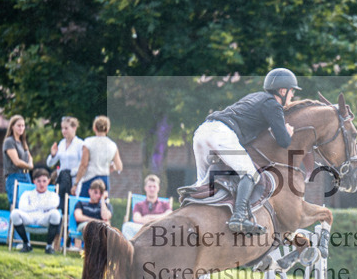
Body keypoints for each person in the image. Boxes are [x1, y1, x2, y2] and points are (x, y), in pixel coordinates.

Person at [191, 67, 299, 233]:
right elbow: (283, 141)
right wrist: (289, 133)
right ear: (282, 90)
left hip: (202, 132)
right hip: (222, 134)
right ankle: (239, 216)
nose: (292, 96)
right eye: (292, 91)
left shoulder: (255, 96)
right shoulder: (273, 105)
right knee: (250, 174)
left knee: (203, 184)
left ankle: (193, 220)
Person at [10, 168, 62, 254]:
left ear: (48, 181)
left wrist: (32, 206)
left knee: (56, 214)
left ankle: (49, 246)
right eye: (39, 181)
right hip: (29, 217)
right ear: (34, 181)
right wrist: (43, 206)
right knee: (14, 213)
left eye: (44, 181)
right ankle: (27, 244)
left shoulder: (53, 195)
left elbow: (54, 204)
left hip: (43, 218)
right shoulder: (27, 194)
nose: (41, 184)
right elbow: (22, 207)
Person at [74, 115, 122, 198]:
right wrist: (111, 167)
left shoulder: (88, 142)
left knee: (84, 205)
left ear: (94, 128)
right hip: (104, 179)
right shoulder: (112, 145)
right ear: (107, 129)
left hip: (90, 179)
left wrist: (76, 183)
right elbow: (119, 166)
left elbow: (83, 165)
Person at [46, 116, 84, 212]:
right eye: (62, 128)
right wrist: (53, 155)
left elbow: (83, 164)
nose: (63, 131)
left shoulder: (80, 144)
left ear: (74, 128)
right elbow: (49, 163)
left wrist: (71, 173)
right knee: (61, 205)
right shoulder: (61, 143)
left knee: (72, 206)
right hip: (62, 180)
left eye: (66, 128)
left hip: (74, 180)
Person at [121, 174, 172, 239]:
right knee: (126, 226)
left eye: (154, 186)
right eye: (149, 186)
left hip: (160, 230)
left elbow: (170, 216)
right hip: (143, 230)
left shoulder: (165, 204)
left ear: (158, 188)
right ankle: (132, 248)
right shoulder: (139, 205)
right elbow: (137, 219)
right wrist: (159, 219)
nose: (152, 189)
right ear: (145, 188)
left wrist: (148, 217)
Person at [3, 115, 33, 208]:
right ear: (12, 126)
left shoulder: (22, 141)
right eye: (18, 125)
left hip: (26, 176)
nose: (21, 128)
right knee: (16, 204)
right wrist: (29, 166)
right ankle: (13, 223)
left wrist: (30, 164)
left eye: (23, 126)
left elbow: (29, 157)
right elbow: (16, 162)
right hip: (14, 175)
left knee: (28, 204)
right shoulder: (9, 141)